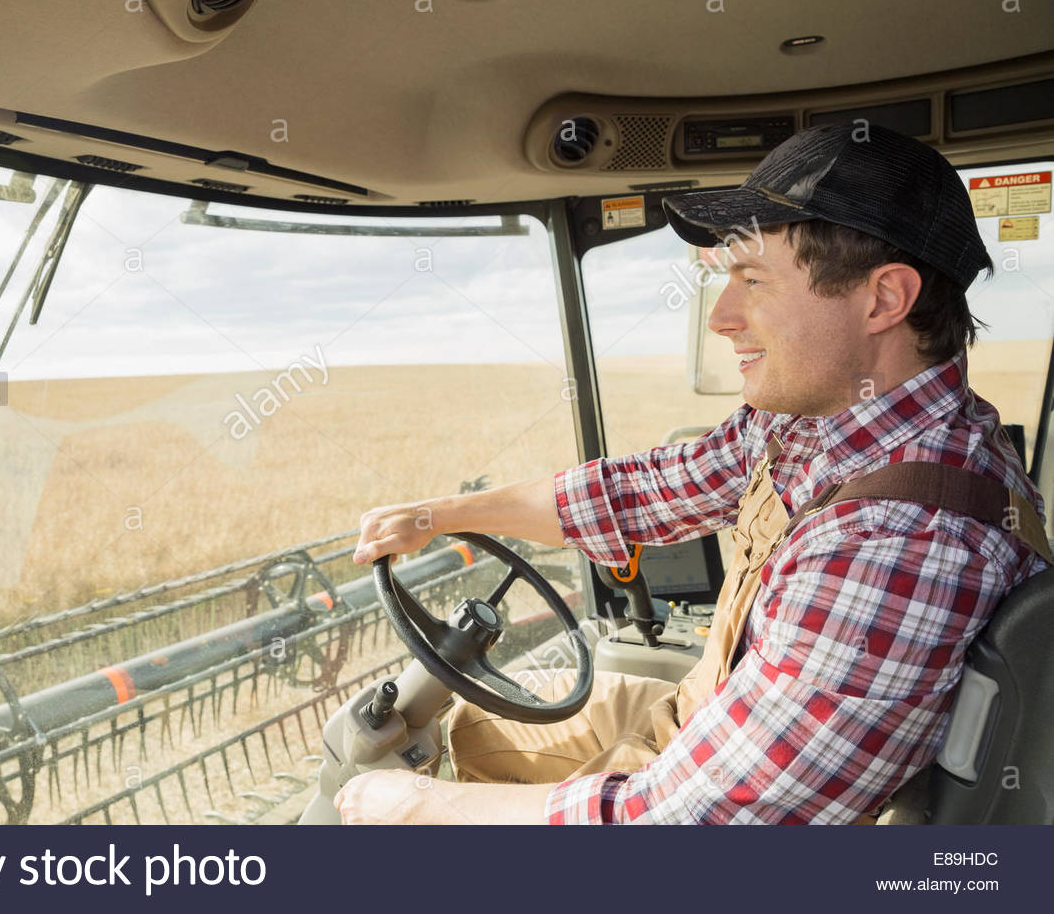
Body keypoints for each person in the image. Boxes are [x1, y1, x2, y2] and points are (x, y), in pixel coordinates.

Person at [333, 123, 1052, 824]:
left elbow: (684, 825)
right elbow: (643, 492)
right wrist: (440, 516)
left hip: (711, 809)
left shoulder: (903, 542)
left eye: (752, 280)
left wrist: (422, 809)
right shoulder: (823, 424)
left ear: (884, 298)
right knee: (473, 725)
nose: (723, 317)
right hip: (705, 718)